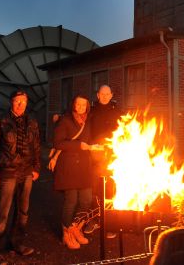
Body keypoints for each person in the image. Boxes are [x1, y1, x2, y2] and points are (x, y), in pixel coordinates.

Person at [0, 90, 41, 265]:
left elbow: (37, 146)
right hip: (7, 172)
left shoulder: (32, 122)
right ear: (11, 102)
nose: (20, 105)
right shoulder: (0, 121)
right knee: (3, 213)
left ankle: (16, 243)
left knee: (23, 212)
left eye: (23, 102)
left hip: (27, 173)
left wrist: (36, 167)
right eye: (17, 101)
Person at [52, 95, 103, 249]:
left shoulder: (87, 120)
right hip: (68, 166)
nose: (81, 107)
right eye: (78, 104)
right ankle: (66, 234)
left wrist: (95, 146)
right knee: (71, 201)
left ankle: (75, 228)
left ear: (87, 106)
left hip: (84, 167)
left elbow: (89, 140)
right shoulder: (65, 120)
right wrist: (79, 146)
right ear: (73, 105)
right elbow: (58, 143)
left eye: (84, 104)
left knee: (87, 200)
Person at [87, 85, 122, 237]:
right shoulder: (91, 112)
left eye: (108, 93)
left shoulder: (117, 112)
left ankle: (110, 222)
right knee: (94, 188)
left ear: (111, 94)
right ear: (98, 95)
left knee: (110, 188)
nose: (105, 96)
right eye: (103, 93)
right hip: (94, 155)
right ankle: (94, 219)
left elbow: (125, 131)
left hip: (112, 155)